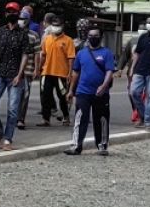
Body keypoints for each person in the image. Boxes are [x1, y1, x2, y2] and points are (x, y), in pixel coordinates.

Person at [65, 25, 115, 156]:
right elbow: (76, 73)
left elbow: (109, 71)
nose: (93, 38)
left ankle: (102, 145)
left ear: (101, 37)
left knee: (101, 119)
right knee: (80, 118)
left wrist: (103, 86)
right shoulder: (81, 53)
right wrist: (71, 90)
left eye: (96, 36)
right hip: (83, 92)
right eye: (90, 36)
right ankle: (76, 145)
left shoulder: (107, 53)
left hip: (101, 94)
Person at [0, 6, 29, 150]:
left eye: (14, 12)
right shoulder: (0, 31)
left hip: (15, 75)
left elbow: (25, 54)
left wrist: (19, 74)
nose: (11, 14)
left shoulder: (23, 34)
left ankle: (8, 139)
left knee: (13, 108)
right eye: (9, 12)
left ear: (18, 15)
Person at [38, 15, 76, 127]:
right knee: (45, 96)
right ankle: (46, 119)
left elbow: (71, 58)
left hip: (61, 73)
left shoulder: (68, 40)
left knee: (62, 97)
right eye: (54, 25)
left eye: (58, 25)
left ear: (62, 26)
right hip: (47, 72)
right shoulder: (47, 39)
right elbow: (43, 55)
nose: (56, 28)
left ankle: (66, 117)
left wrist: (69, 73)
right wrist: (39, 68)